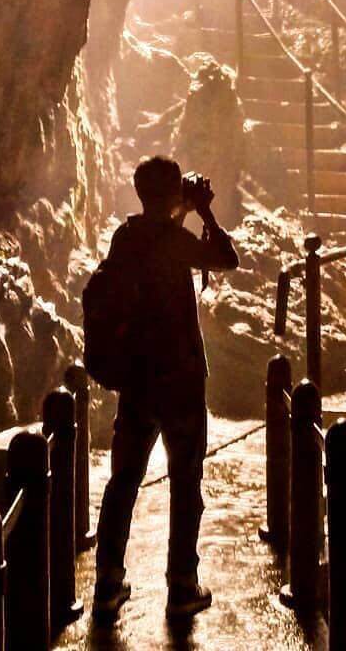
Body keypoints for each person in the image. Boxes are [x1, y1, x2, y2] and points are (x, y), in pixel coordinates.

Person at [92, 155, 239, 620]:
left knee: (123, 482)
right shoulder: (177, 242)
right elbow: (226, 258)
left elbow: (153, 246)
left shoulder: (126, 237)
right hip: (180, 382)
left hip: (137, 382)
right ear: (174, 191)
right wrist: (205, 212)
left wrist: (179, 210)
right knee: (185, 482)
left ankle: (108, 583)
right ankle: (181, 585)